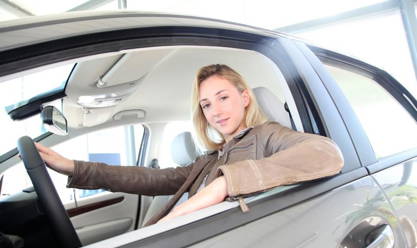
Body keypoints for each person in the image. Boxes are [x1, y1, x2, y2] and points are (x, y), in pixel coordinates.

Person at [36, 64, 344, 226]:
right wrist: (74, 167)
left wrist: (227, 183)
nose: (216, 111)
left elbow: (326, 154)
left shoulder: (267, 135)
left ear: (244, 97)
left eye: (223, 97)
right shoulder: (208, 160)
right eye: (207, 105)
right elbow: (150, 178)